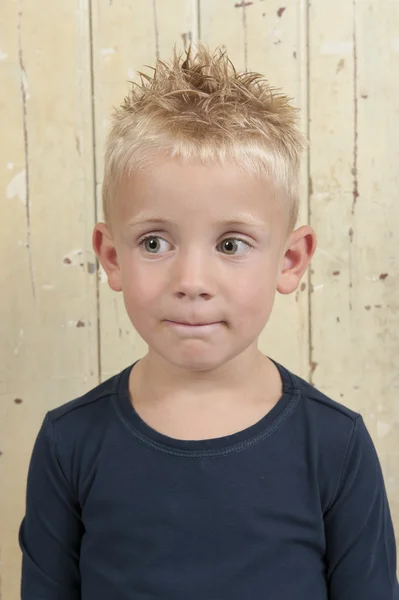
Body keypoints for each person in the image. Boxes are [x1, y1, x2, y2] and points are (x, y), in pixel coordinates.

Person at [19, 44, 398, 599]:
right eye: (155, 241)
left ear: (290, 261)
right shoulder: (68, 443)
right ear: (112, 256)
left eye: (231, 243)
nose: (191, 279)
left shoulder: (335, 445)